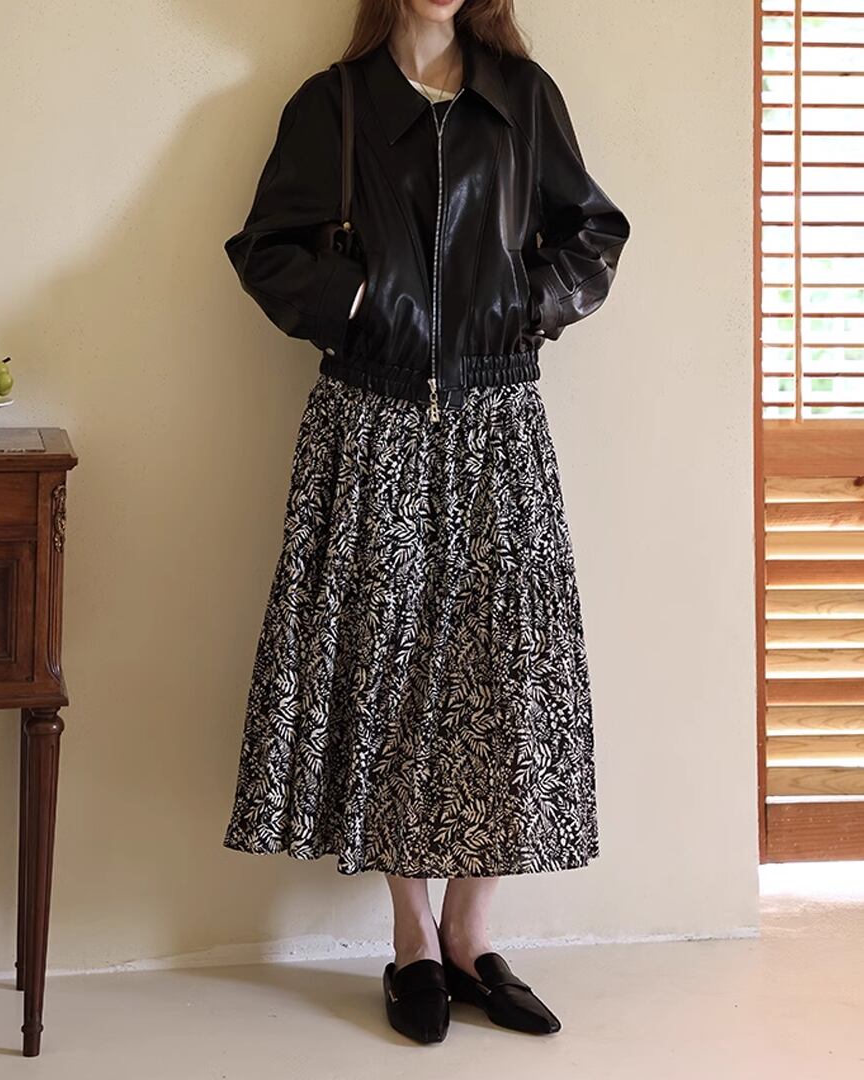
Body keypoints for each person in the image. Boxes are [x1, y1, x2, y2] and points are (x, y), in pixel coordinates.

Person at [221, 0, 630, 1045]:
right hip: (372, 420)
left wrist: (523, 306)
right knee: (390, 669)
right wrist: (364, 304)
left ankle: (471, 935)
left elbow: (594, 232)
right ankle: (411, 939)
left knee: (507, 667)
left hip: (500, 420)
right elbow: (266, 249)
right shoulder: (335, 104)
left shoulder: (522, 97)